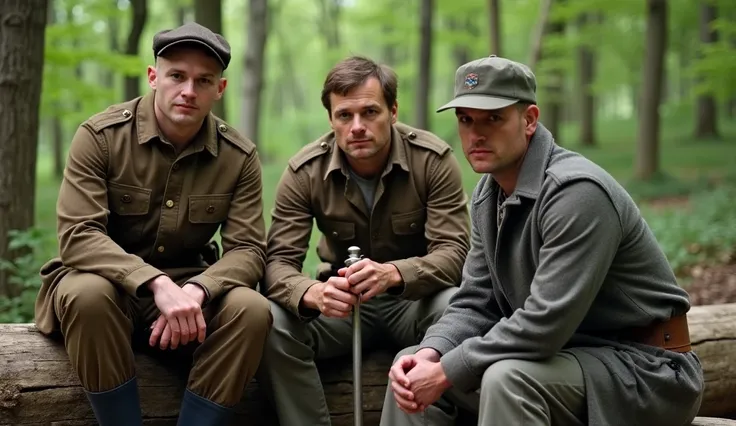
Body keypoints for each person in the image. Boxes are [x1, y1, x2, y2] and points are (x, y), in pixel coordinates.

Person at [381, 55, 705, 426]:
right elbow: (475, 301)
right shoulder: (490, 194)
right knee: (408, 369)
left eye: (494, 118)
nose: (476, 134)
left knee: (507, 378)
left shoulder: (578, 192)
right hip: (568, 360)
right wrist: (432, 352)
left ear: (530, 120)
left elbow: (545, 324)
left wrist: (450, 369)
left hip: (646, 370)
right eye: (466, 120)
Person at [34, 22, 272, 426]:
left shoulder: (239, 156)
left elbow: (249, 250)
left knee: (251, 308)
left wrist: (197, 290)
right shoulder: (101, 136)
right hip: (106, 286)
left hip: (190, 291)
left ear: (221, 89)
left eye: (204, 81)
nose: (189, 91)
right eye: (177, 76)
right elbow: (78, 236)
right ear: (153, 77)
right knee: (88, 293)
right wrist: (156, 284)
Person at [256, 55, 471, 426]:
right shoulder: (305, 171)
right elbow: (276, 263)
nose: (357, 126)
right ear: (331, 119)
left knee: (456, 306)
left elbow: (455, 253)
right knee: (271, 320)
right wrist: (311, 293)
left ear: (393, 111)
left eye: (370, 112)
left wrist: (392, 274)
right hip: (342, 306)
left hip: (416, 303)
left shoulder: (432, 160)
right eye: (345, 115)